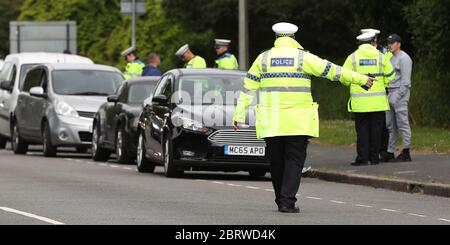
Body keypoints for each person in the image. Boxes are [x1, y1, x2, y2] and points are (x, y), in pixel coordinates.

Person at [233, 22, 375, 213]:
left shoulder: (263, 59)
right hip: (298, 121)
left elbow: (247, 88)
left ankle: (280, 199)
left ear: (276, 38)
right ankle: (287, 201)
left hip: (271, 121)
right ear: (293, 38)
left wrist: (239, 114)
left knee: (276, 161)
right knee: (294, 160)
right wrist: (362, 79)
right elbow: (332, 70)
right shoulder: (303, 57)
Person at [343, 32, 395, 166]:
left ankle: (362, 158)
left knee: (362, 132)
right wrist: (382, 84)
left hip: (360, 103)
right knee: (377, 131)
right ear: (373, 42)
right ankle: (374, 158)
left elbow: (344, 78)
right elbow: (391, 76)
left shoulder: (352, 57)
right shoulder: (381, 57)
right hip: (377, 102)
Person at [361, 28, 392, 159]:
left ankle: (381, 151)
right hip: (371, 95)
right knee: (374, 127)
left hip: (376, 93)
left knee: (381, 127)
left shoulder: (384, 52)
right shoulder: (380, 53)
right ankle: (373, 154)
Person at [381, 34, 413, 162]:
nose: (390, 45)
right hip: (390, 92)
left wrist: (398, 96)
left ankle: (406, 151)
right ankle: (390, 151)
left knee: (402, 123)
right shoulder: (391, 58)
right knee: (390, 125)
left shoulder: (404, 58)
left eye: (393, 43)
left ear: (399, 44)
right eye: (389, 43)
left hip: (400, 93)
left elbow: (406, 81)